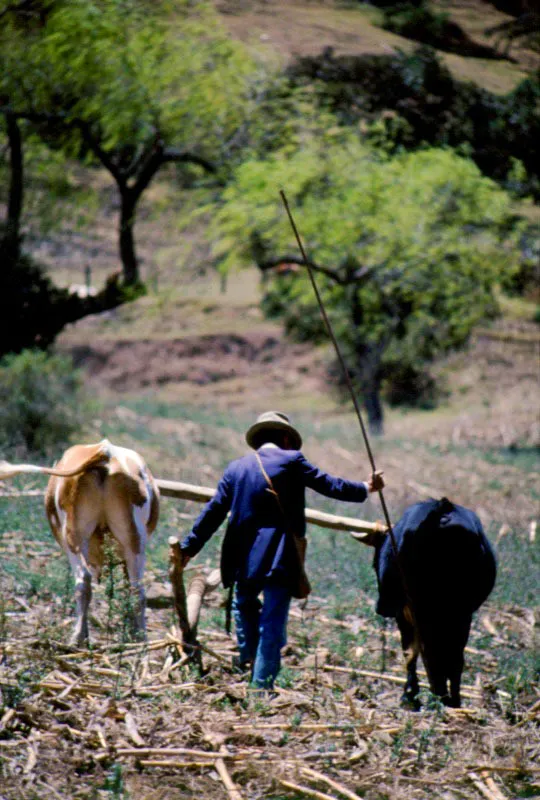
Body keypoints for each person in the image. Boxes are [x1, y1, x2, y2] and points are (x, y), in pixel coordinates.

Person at [179, 410, 384, 691]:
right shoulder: (292, 460)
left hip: (241, 557)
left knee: (244, 607)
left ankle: (248, 663)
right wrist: (366, 487)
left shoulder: (235, 468)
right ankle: (261, 687)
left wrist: (189, 547)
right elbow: (330, 486)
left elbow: (213, 511)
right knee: (272, 621)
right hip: (279, 554)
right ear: (286, 438)